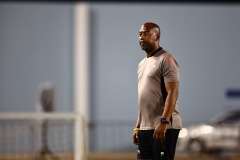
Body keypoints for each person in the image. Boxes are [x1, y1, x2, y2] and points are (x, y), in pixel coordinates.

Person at [132, 22, 182, 160]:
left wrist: (164, 122)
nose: (142, 37)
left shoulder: (166, 59)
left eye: (146, 33)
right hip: (145, 128)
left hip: (164, 126)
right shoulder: (141, 64)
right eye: (140, 34)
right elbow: (145, 100)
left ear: (157, 36)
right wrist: (138, 127)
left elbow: (173, 93)